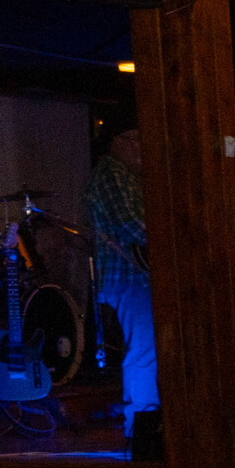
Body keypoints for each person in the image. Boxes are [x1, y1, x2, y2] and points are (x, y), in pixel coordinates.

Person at [84, 126, 153, 431]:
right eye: (135, 138)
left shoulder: (129, 177)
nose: (141, 146)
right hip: (129, 276)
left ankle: (145, 421)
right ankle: (142, 427)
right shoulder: (112, 175)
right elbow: (131, 225)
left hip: (136, 274)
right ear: (116, 141)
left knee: (147, 350)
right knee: (144, 351)